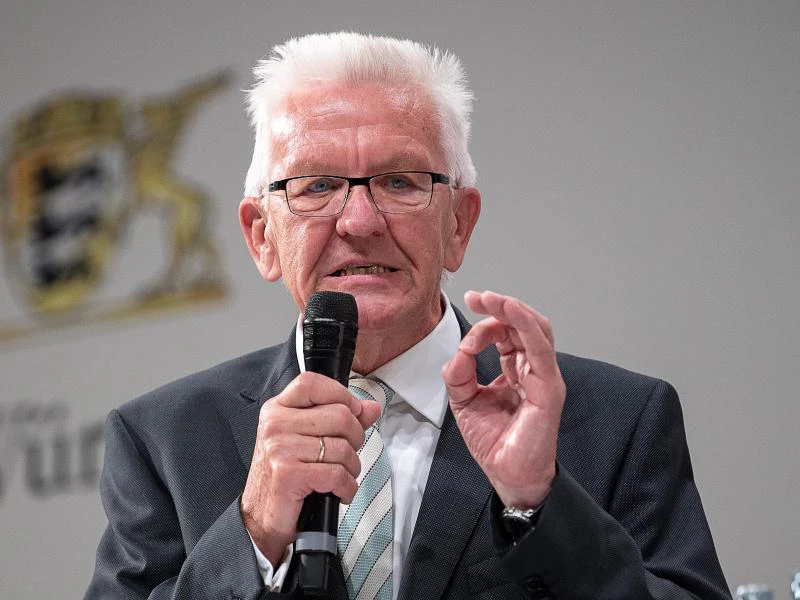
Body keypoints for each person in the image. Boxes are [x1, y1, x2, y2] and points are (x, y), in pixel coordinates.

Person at [86, 32, 731, 600]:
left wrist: (539, 504)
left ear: (459, 224)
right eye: (317, 186)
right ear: (261, 237)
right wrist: (253, 533)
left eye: (400, 182)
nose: (359, 221)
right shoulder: (165, 441)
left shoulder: (615, 419)